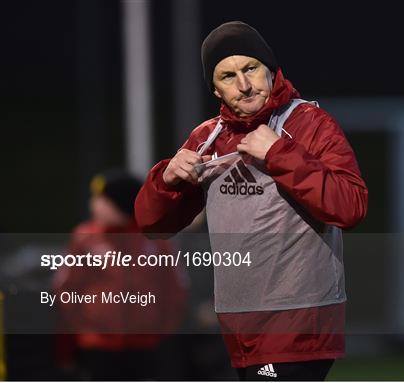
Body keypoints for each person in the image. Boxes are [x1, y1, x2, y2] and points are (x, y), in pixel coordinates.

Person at [135, 21, 368, 381]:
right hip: (239, 327)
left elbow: (350, 206)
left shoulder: (310, 124)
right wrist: (165, 182)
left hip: (298, 320)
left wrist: (279, 153)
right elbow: (153, 226)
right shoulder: (207, 137)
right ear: (215, 88)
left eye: (250, 69)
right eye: (228, 76)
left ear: (271, 71)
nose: (244, 85)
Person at [54, 170, 188, 380]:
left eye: (102, 200)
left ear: (121, 203)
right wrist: (76, 337)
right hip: (97, 344)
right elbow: (66, 290)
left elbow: (173, 289)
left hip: (144, 345)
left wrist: (159, 330)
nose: (94, 205)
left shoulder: (154, 239)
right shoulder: (85, 239)